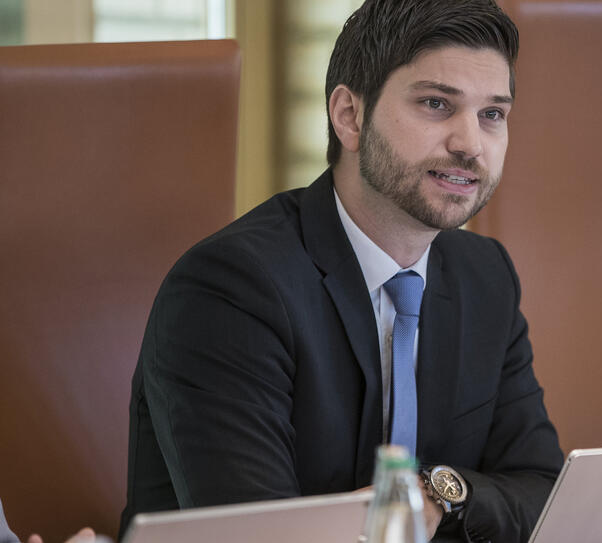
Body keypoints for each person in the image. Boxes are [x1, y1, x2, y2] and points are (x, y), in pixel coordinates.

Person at [120, 1, 563, 541]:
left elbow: (545, 494)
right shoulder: (231, 286)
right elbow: (259, 535)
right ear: (349, 116)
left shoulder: (485, 275)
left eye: (492, 114)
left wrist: (437, 496)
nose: (471, 144)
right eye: (436, 104)